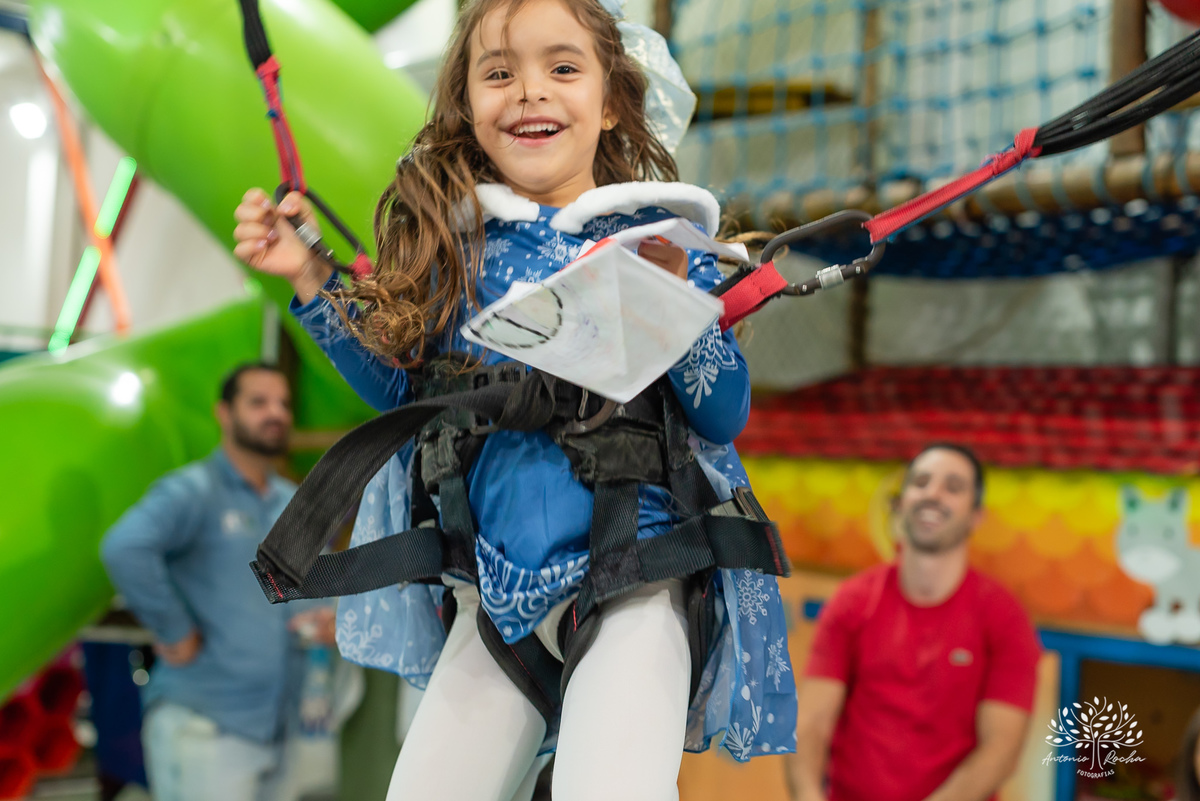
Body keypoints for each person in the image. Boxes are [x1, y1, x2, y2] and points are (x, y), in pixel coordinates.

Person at [231, 0, 796, 798]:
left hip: (633, 580)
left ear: (610, 103)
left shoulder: (661, 241)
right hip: (492, 601)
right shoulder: (453, 255)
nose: (530, 90)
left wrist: (674, 308)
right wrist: (309, 276)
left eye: (562, 68)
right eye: (500, 72)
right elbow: (403, 393)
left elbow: (722, 414)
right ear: (467, 105)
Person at [99, 363, 336, 801]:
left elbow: (319, 585)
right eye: (259, 402)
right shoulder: (194, 491)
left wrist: (330, 619)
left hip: (280, 729)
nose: (276, 413)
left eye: (283, 404)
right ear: (224, 413)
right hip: (207, 726)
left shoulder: (291, 503)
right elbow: (125, 546)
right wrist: (175, 630)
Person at [788, 444, 1041, 801]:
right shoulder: (851, 602)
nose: (933, 495)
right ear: (900, 502)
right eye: (921, 482)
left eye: (953, 487)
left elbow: (1001, 749)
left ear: (976, 516)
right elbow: (811, 722)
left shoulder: (1006, 618)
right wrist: (807, 794)